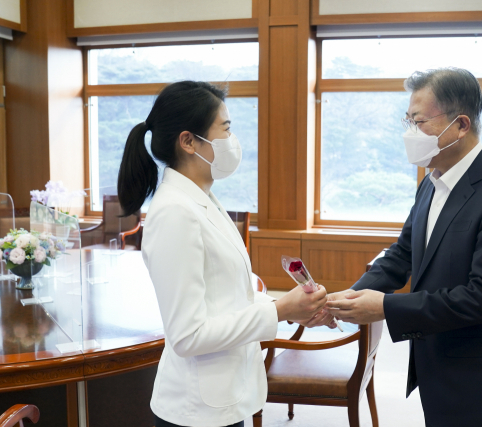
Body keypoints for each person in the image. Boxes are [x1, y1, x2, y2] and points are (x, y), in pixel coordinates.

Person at [326, 68, 482, 427]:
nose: (410, 133)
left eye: (419, 122)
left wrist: (385, 306)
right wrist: (347, 298)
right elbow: (403, 254)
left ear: (460, 124)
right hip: (439, 360)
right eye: (408, 121)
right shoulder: (431, 181)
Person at [117, 81, 329, 427]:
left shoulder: (201, 199)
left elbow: (228, 300)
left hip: (221, 398)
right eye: (226, 129)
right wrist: (280, 310)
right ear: (188, 141)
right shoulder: (174, 213)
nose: (233, 141)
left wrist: (292, 310)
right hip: (194, 409)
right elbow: (188, 335)